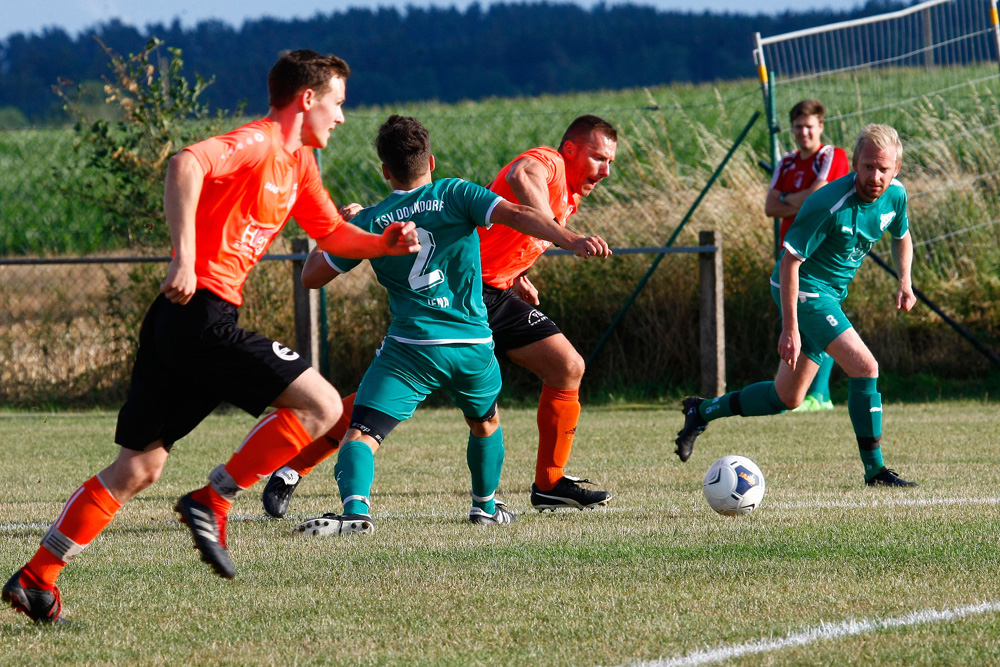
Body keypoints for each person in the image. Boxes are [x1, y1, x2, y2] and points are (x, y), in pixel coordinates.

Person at [2, 50, 422, 624]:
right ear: (308, 99)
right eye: (337, 103)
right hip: (199, 313)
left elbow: (331, 231)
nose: (341, 118)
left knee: (138, 468)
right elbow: (185, 164)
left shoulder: (299, 165)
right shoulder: (260, 141)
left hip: (185, 325)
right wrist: (184, 256)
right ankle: (213, 498)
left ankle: (37, 577)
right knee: (325, 404)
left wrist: (383, 244)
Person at [261, 115, 619, 517]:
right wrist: (569, 238)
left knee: (567, 366)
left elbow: (313, 274)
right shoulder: (544, 166)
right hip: (469, 295)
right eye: (599, 158)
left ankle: (550, 484)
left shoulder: (376, 218)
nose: (605, 170)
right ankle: (293, 467)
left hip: (487, 295)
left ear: (385, 171)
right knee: (456, 413)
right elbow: (522, 180)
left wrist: (518, 272)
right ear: (432, 163)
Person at [674, 124, 919, 488]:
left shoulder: (895, 195)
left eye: (883, 168)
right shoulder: (827, 203)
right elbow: (790, 263)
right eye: (868, 166)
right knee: (866, 367)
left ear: (896, 169)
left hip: (830, 294)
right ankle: (876, 471)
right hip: (803, 290)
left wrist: (905, 281)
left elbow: (902, 235)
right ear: (855, 163)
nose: (875, 176)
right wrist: (791, 329)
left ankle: (702, 410)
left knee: (786, 397)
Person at [765, 99, 849, 412]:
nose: (804, 132)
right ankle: (798, 392)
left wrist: (791, 199)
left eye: (809, 126)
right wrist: (799, 200)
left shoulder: (831, 156)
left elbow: (819, 197)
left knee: (820, 322)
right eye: (798, 126)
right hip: (791, 253)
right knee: (795, 324)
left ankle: (821, 395)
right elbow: (770, 207)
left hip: (820, 253)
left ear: (820, 127)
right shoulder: (787, 163)